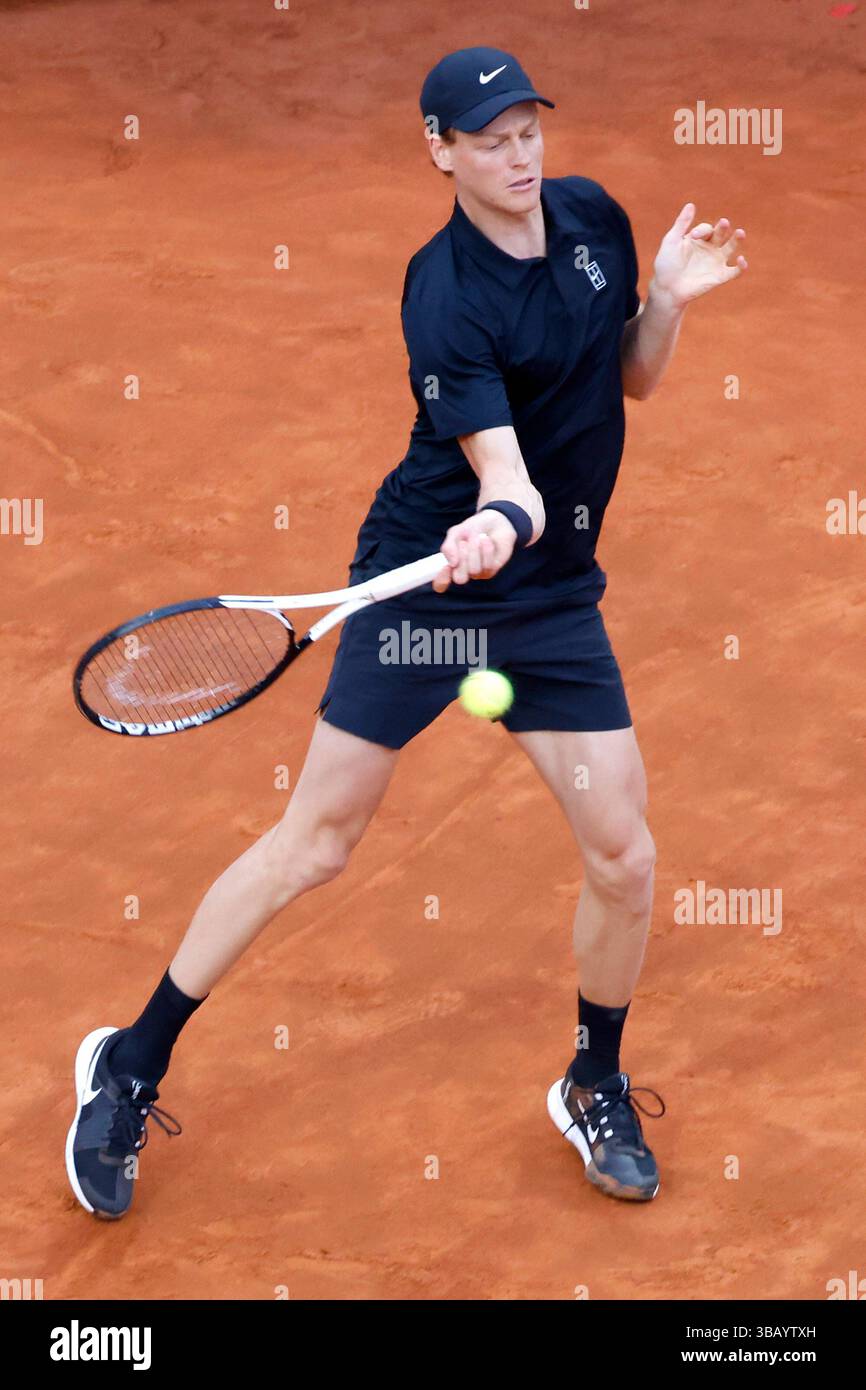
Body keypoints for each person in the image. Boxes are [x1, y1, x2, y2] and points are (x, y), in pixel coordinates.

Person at [66, 45, 747, 1218]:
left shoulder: (593, 219)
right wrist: (497, 517)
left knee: (623, 853)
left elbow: (627, 380)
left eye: (528, 127)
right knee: (315, 842)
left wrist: (668, 306)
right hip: (425, 593)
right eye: (489, 139)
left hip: (545, 602)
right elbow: (507, 477)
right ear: (439, 151)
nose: (520, 153)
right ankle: (127, 1063)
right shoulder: (442, 294)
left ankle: (592, 1076)